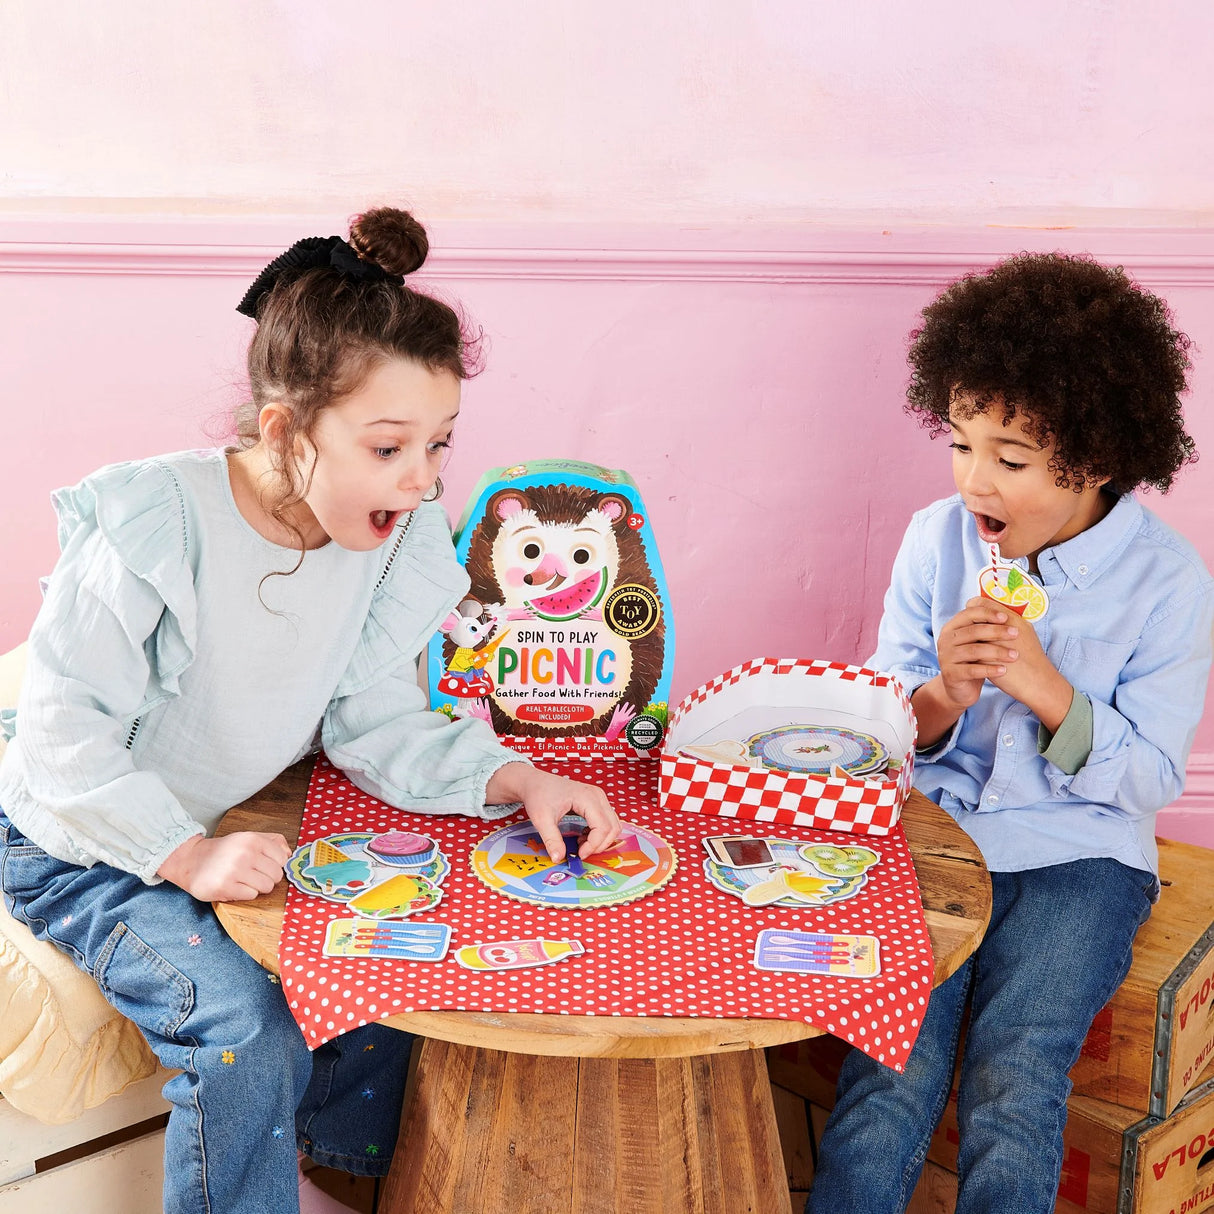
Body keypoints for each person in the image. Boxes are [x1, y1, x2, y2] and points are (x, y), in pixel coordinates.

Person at [0, 207, 621, 1214]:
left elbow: (372, 719)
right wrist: (182, 855)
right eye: (388, 447)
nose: (422, 479)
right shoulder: (156, 526)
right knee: (239, 1017)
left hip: (214, 824)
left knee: (393, 951)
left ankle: (327, 1182)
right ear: (286, 431)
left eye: (439, 444)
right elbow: (63, 744)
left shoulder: (384, 543)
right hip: (76, 835)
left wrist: (517, 775)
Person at [807, 252, 1214, 1214]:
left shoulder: (1169, 583)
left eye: (1012, 459)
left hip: (1080, 856)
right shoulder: (931, 540)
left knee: (1016, 1081)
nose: (973, 479)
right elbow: (884, 731)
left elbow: (1150, 779)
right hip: (937, 837)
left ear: (1098, 459)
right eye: (960, 443)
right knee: (887, 1074)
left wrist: (1047, 690)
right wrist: (943, 693)